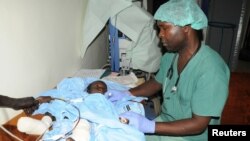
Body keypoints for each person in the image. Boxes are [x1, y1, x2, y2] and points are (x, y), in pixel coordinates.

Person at [117, 0, 230, 140]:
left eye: (165, 28)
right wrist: (125, 93)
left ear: (186, 27)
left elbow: (199, 124)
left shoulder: (211, 70)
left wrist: (150, 127)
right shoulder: (171, 56)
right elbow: (156, 83)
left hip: (192, 136)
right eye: (159, 29)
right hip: (166, 123)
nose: (160, 34)